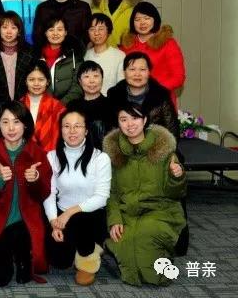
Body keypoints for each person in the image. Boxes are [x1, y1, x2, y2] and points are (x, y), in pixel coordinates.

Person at [103, 102, 186, 286]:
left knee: (146, 239)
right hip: (127, 213)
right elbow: (111, 192)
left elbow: (177, 193)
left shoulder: (163, 150)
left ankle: (161, 262)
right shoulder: (113, 155)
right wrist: (114, 219)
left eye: (135, 118)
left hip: (161, 211)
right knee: (125, 242)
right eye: (124, 119)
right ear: (118, 123)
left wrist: (177, 176)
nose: (130, 124)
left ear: (145, 120)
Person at [0, 101, 52, 286]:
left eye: (16, 122)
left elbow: (43, 193)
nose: (11, 128)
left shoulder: (36, 153)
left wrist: (35, 180)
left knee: (24, 276)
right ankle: (10, 253)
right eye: (5, 122)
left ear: (25, 125)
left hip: (25, 221)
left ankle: (22, 254)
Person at [43, 109, 111, 286]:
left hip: (91, 215)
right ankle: (76, 248)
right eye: (67, 126)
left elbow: (102, 197)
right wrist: (54, 221)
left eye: (77, 126)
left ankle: (89, 255)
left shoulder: (100, 158)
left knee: (82, 223)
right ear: (61, 130)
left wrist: (69, 213)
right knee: (59, 261)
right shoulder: (52, 156)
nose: (72, 131)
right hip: (62, 214)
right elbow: (49, 193)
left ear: (86, 130)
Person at [120, 1, 185, 106]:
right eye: (137, 19)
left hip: (160, 100)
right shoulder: (127, 44)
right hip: (131, 102)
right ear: (132, 22)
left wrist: (153, 91)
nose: (142, 23)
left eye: (147, 18)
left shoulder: (168, 43)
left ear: (155, 20)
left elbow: (178, 77)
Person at [106, 52, 179, 139]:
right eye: (132, 69)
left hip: (156, 144)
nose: (137, 74)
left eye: (142, 69)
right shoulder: (114, 95)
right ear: (124, 72)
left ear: (149, 72)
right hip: (123, 144)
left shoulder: (161, 95)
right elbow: (110, 130)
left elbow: (172, 131)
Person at [0, 11, 33, 100]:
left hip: (24, 103)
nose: (9, 32)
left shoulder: (30, 52)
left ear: (19, 31)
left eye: (13, 28)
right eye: (4, 27)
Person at [68, 61, 116, 149]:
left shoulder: (112, 104)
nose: (92, 81)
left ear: (102, 79)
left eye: (96, 76)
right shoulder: (72, 106)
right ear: (79, 81)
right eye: (86, 77)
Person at [36, 15, 84, 104]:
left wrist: (60, 105)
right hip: (42, 106)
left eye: (60, 29)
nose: (55, 33)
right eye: (51, 30)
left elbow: (78, 85)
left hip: (69, 106)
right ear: (45, 33)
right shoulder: (36, 55)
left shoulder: (75, 55)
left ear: (65, 32)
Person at [19, 60, 65, 152]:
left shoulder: (57, 107)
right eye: (31, 79)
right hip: (22, 155)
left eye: (41, 79)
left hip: (52, 156)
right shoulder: (18, 105)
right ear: (26, 81)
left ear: (47, 81)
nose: (36, 83)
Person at [84, 13, 125, 95]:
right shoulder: (85, 55)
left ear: (108, 31)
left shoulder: (119, 56)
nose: (96, 33)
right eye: (92, 29)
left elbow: (121, 87)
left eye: (101, 29)